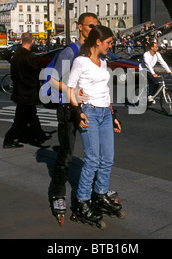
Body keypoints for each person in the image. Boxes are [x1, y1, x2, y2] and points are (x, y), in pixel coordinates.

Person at [67, 25, 123, 226]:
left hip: (105, 114)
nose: (111, 45)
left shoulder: (102, 62)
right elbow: (70, 89)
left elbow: (104, 90)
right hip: (89, 111)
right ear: (97, 42)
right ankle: (82, 201)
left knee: (107, 159)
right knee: (92, 160)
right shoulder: (81, 62)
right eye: (108, 42)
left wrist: (112, 114)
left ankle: (99, 194)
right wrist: (78, 111)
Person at [48, 12, 98, 219]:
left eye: (96, 26)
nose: (94, 29)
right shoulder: (71, 52)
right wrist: (72, 92)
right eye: (90, 26)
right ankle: (58, 193)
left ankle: (95, 192)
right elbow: (52, 80)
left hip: (90, 109)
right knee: (67, 155)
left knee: (95, 156)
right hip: (68, 109)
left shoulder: (95, 52)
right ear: (80, 27)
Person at [3, 32, 50, 149]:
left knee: (31, 116)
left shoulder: (16, 55)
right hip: (28, 92)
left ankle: (40, 136)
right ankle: (8, 140)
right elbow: (37, 71)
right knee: (21, 120)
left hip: (20, 91)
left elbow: (13, 75)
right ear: (32, 41)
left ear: (21, 40)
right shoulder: (28, 57)